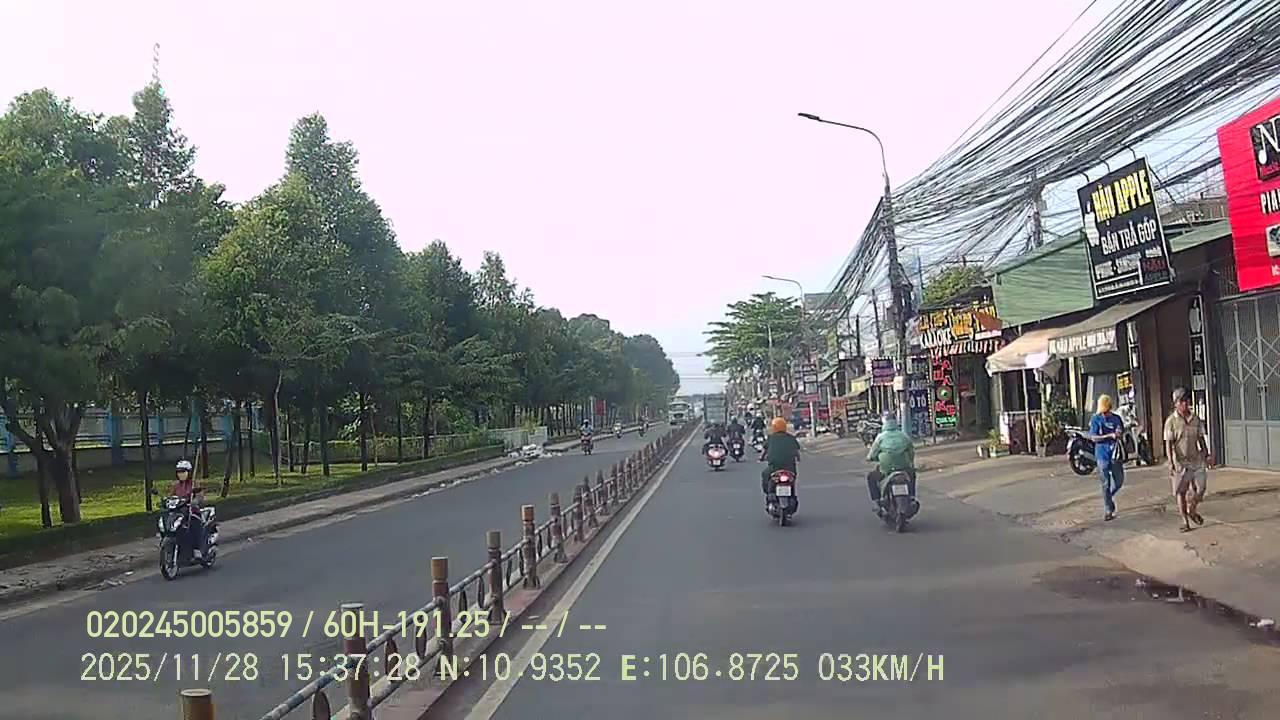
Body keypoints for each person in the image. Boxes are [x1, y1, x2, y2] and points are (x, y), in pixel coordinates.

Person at [1164, 387, 1212, 532]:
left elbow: (1201, 438)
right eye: (1181, 401)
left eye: (1186, 401)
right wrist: (1171, 462)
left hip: (1196, 460)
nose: (1185, 404)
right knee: (1181, 492)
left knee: (1201, 488)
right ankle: (1185, 521)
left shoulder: (1195, 419)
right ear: (1176, 404)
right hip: (1180, 462)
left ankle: (1192, 509)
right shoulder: (1171, 422)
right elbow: (1168, 443)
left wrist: (1207, 454)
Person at [865, 413, 916, 511]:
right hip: (903, 467)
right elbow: (911, 452)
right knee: (912, 475)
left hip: (886, 469)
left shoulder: (880, 437)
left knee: (871, 477)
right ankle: (912, 497)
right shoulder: (903, 436)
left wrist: (870, 458)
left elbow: (872, 454)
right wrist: (910, 463)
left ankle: (877, 501)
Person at [1090, 394, 1125, 521]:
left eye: (1106, 412)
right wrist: (1109, 436)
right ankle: (1108, 509)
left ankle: (1108, 498)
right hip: (1102, 455)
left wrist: (1118, 434)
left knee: (1119, 481)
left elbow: (1121, 431)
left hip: (1115, 454)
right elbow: (1093, 437)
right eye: (1102, 412)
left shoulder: (1116, 419)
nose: (1104, 415)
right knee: (1105, 483)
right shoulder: (1096, 419)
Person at [170, 459, 208, 556]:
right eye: (179, 472)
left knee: (195, 524)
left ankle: (197, 549)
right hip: (179, 512)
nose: (181, 474)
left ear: (189, 473)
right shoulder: (176, 485)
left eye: (183, 472)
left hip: (192, 511)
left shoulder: (194, 484)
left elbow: (200, 496)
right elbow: (171, 497)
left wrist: (195, 501)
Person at [760, 417, 801, 499]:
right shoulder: (791, 438)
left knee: (765, 475)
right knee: (792, 479)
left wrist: (761, 458)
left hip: (774, 467)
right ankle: (792, 495)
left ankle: (769, 493)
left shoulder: (771, 438)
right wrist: (798, 458)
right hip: (789, 467)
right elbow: (796, 451)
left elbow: (765, 450)